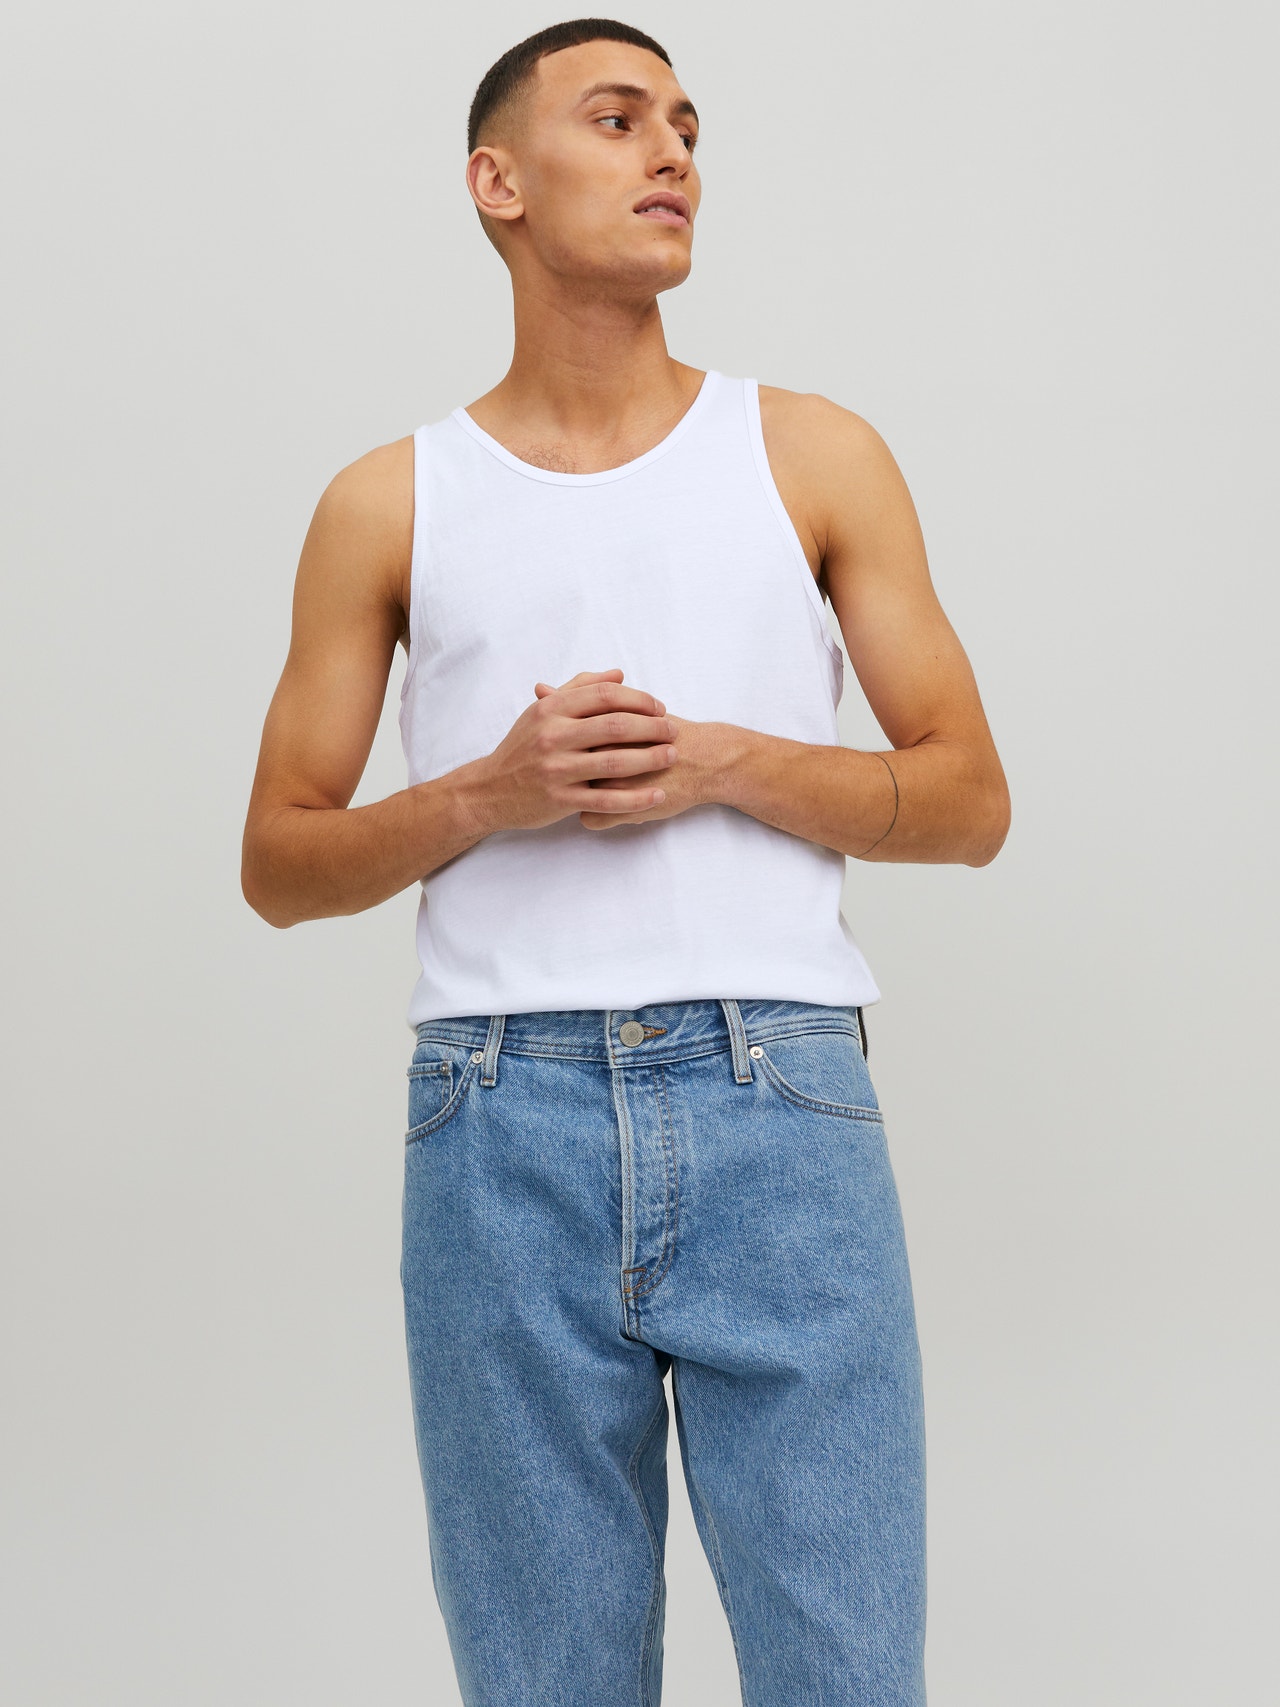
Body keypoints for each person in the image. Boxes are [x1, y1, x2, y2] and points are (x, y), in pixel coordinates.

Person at [241, 17, 1010, 1706]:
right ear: (496, 182)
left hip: (776, 1096)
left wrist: (723, 760)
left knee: (846, 1676)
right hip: (494, 1121)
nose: (674, 154)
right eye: (617, 118)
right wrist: (487, 793)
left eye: (686, 126)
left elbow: (970, 799)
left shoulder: (811, 454)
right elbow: (280, 861)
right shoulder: (389, 502)